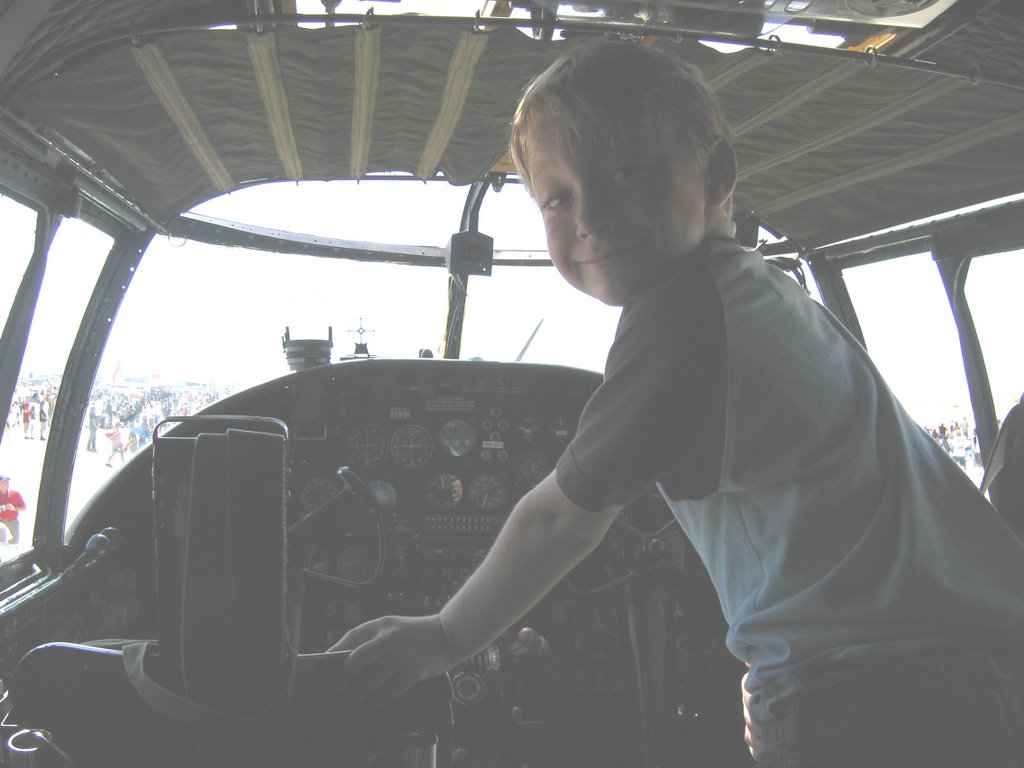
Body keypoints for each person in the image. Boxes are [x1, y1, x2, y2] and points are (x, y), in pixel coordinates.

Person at [331, 42, 1024, 767]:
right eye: (559, 198)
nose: (592, 215)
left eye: (628, 172)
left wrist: (442, 636)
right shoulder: (754, 287)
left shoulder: (682, 316)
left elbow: (562, 522)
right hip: (950, 668)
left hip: (873, 692)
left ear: (717, 176)